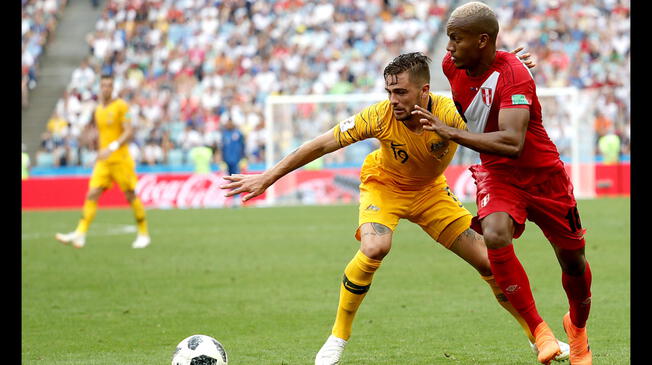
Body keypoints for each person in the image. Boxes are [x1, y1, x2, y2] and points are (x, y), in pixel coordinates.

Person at [220, 52, 568, 365]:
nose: (393, 100)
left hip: (430, 192)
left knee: (488, 261)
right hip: (383, 186)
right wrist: (267, 177)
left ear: (424, 91)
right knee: (375, 246)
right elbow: (322, 143)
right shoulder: (379, 116)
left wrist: (508, 71)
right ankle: (338, 337)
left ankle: (539, 336)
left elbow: (495, 121)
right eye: (389, 91)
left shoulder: (449, 112)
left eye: (400, 92)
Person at [415, 3, 592, 364]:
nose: (447, 48)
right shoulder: (453, 67)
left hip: (543, 176)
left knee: (573, 262)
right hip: (497, 173)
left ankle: (577, 329)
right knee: (494, 234)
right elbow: (481, 90)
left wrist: (451, 132)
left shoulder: (515, 76)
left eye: (456, 39)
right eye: (448, 38)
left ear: (481, 40)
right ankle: (540, 331)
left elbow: (512, 142)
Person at [55, 74, 151, 249]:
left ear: (113, 88)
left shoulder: (122, 106)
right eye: (103, 85)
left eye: (109, 85)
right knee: (92, 194)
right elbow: (101, 135)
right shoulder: (98, 109)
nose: (106, 88)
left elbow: (129, 131)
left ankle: (143, 234)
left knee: (130, 196)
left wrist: (112, 147)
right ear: (100, 87)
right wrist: (96, 148)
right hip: (104, 161)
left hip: (121, 160)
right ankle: (80, 234)